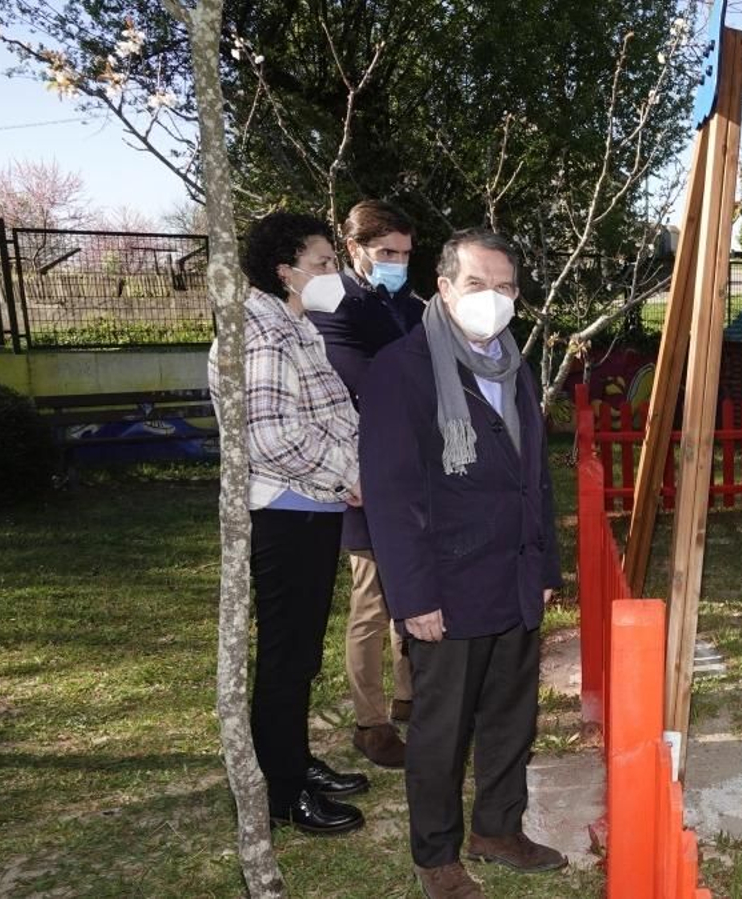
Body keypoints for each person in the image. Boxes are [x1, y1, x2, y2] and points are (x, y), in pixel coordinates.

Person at [360, 229, 567, 896]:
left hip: (512, 576)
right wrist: (413, 596)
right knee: (441, 730)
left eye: (506, 287)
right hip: (445, 585)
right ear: (445, 286)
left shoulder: (514, 362)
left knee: (512, 713)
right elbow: (391, 494)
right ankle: (436, 853)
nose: (495, 300)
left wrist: (544, 569)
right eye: (478, 284)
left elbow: (533, 477)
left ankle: (498, 827)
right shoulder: (401, 367)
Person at [211, 211, 369, 835]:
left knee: (299, 652)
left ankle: (295, 761)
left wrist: (349, 469)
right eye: (324, 263)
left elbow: (329, 413)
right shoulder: (261, 330)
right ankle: (281, 790)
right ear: (286, 271)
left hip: (314, 502)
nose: (334, 272)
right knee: (285, 653)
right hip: (287, 508)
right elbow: (272, 436)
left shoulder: (295, 325)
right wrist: (348, 475)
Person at [308, 200, 424, 769]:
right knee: (374, 602)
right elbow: (363, 379)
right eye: (386, 253)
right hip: (365, 475)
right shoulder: (335, 305)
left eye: (404, 253)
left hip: (417, 475)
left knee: (417, 590)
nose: (397, 263)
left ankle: (410, 698)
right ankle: (370, 722)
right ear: (355, 250)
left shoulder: (414, 304)